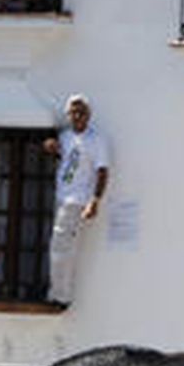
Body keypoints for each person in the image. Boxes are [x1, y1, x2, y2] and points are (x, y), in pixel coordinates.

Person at [41, 94, 110, 309]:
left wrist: (95, 200)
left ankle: (60, 296)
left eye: (82, 112)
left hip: (76, 200)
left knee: (60, 247)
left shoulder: (96, 140)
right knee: (62, 248)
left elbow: (102, 171)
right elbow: (62, 157)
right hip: (62, 197)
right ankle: (59, 292)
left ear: (89, 114)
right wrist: (49, 147)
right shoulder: (66, 137)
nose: (78, 116)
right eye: (73, 112)